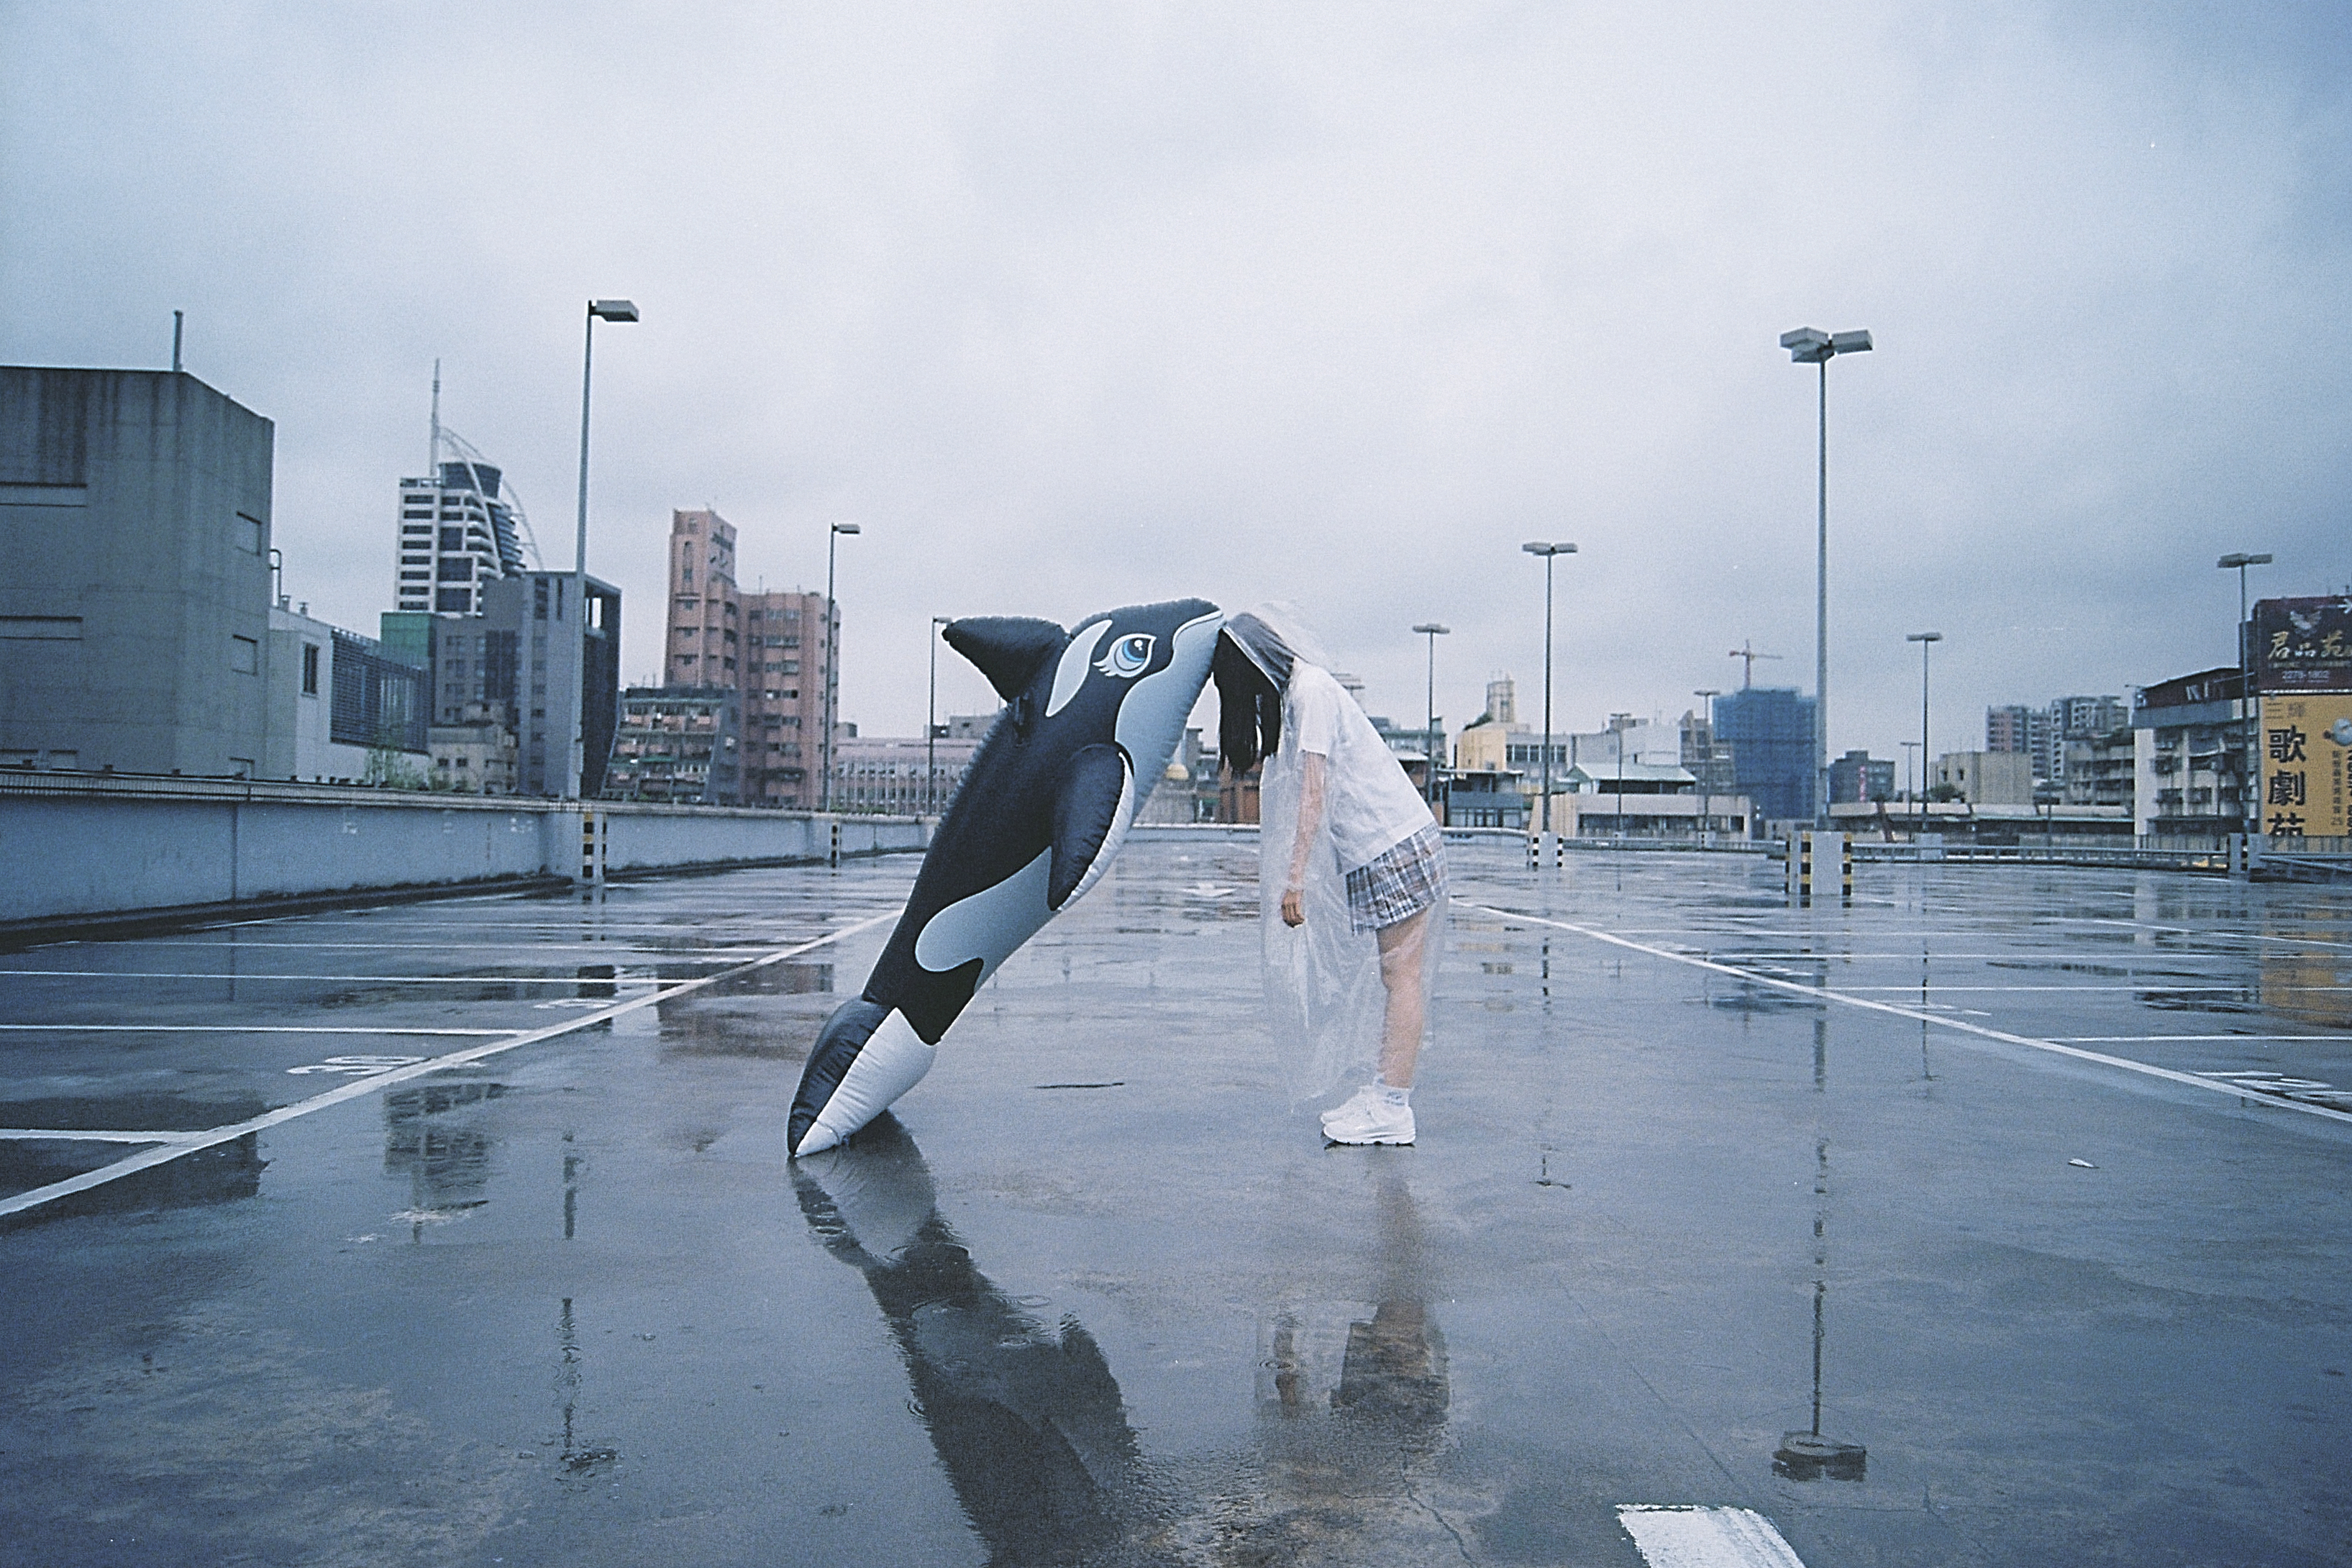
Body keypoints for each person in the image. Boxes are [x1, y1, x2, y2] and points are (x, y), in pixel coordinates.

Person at [1215, 606, 1447, 1144]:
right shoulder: (1305, 694)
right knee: (1397, 976)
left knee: (1401, 976)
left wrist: (1293, 880)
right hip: (1381, 845)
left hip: (1393, 843)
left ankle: (1393, 1104)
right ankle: (1386, 1092)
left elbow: (1313, 792)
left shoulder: (1311, 691)